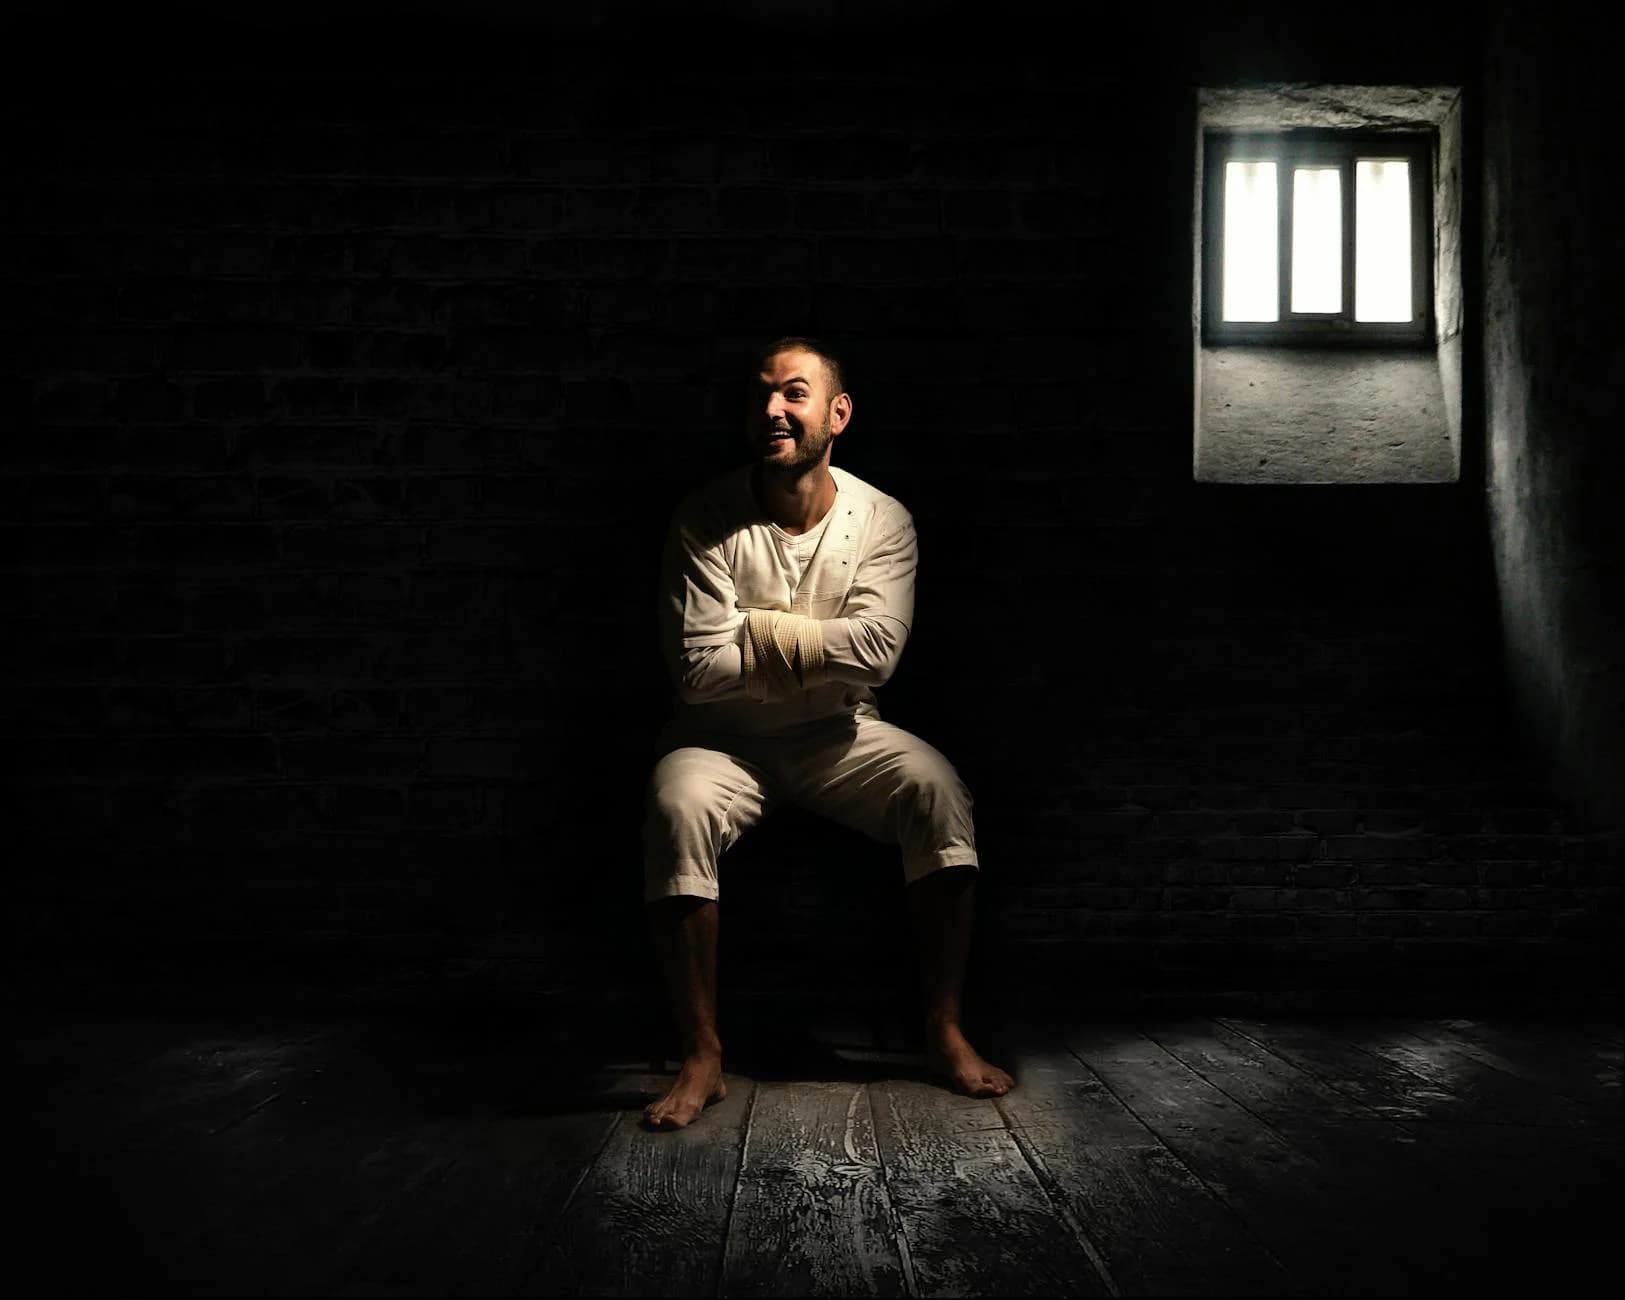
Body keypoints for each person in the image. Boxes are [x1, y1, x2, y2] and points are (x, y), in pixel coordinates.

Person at [641, 337, 1014, 1131]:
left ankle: (943, 1029)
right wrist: (821, 643)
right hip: (719, 740)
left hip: (838, 734)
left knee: (938, 791)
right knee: (676, 807)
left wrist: (752, 633)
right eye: (761, 396)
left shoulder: (881, 518)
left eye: (794, 393)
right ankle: (702, 1054)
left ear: (836, 414)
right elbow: (698, 674)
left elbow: (878, 656)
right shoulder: (706, 517)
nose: (772, 410)